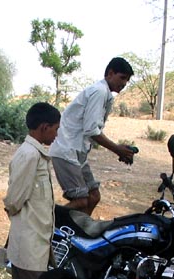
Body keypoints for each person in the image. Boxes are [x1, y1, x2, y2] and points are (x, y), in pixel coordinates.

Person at [4, 102, 62, 279]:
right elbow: (14, 199)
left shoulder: (37, 154)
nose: (57, 134)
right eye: (55, 129)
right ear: (44, 127)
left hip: (37, 244)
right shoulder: (28, 155)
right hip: (29, 246)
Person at [49, 57, 136, 216]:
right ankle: (44, 220)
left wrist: (120, 150)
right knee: (81, 201)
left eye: (127, 80)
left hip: (77, 152)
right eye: (122, 78)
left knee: (94, 197)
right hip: (66, 150)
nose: (124, 84)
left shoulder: (105, 94)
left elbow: (91, 129)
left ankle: (79, 234)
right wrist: (118, 150)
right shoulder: (99, 91)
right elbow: (91, 130)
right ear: (110, 73)